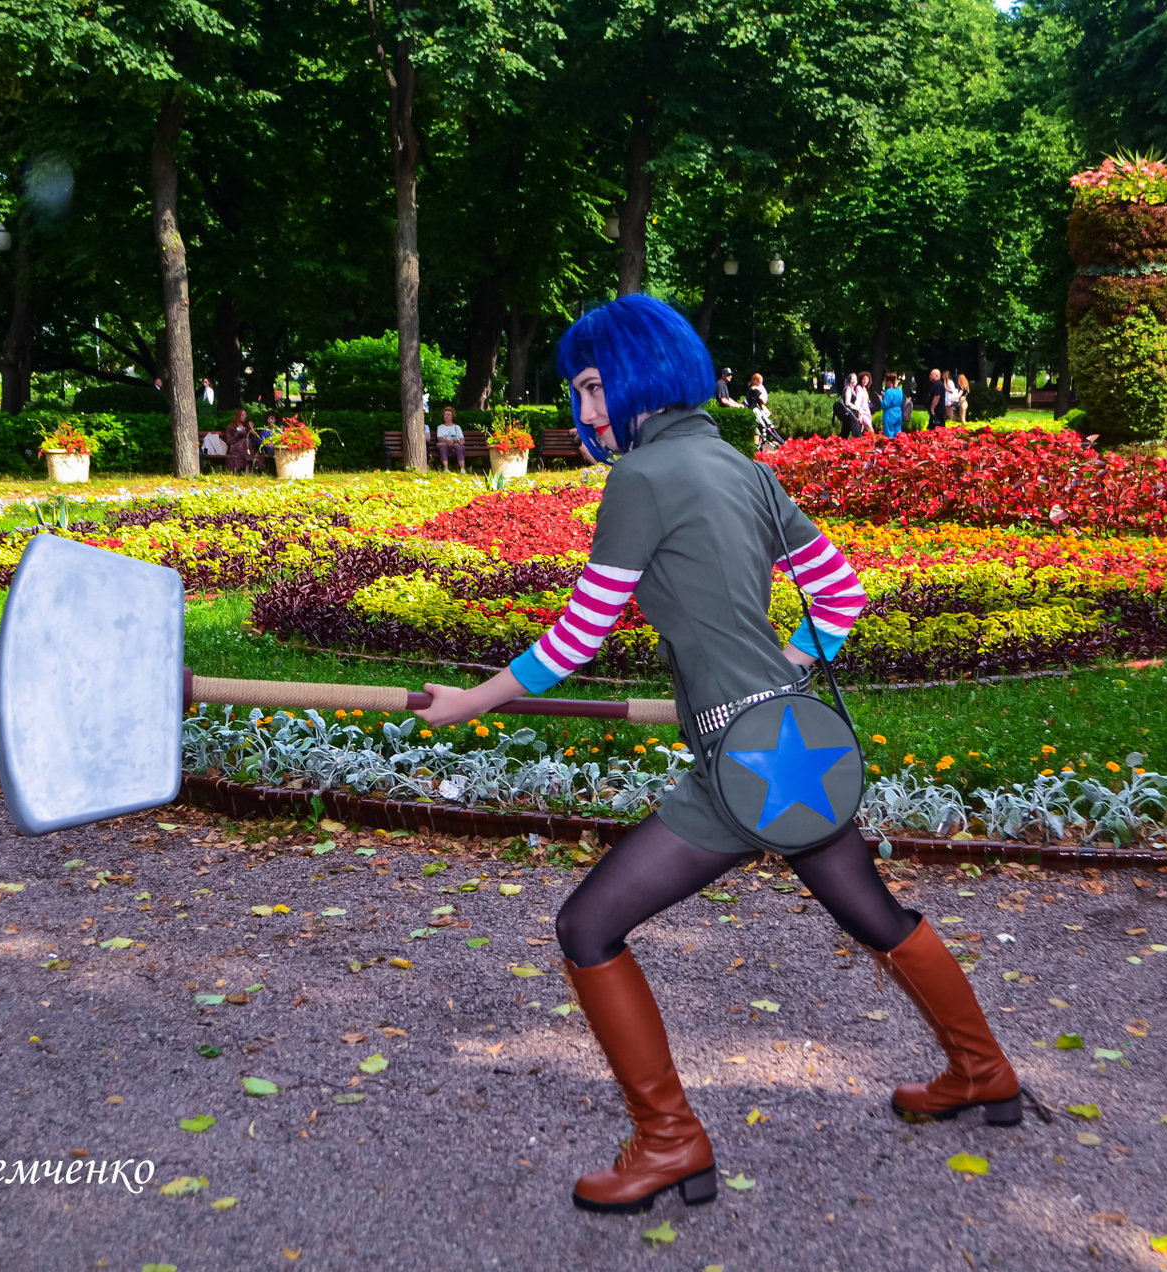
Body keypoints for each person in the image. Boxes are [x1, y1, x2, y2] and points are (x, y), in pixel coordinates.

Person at [415, 294, 1020, 1215]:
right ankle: (984, 1072)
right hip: (793, 744)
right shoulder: (744, 467)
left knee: (586, 929)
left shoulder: (641, 477)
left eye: (593, 386)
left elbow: (579, 635)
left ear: (638, 375)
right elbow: (841, 595)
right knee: (873, 914)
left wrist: (470, 702)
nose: (586, 410)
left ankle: (670, 1142)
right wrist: (788, 666)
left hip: (739, 766)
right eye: (580, 390)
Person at [222, 407, 255, 473]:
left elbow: (253, 441)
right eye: (242, 415)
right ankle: (247, 469)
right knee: (244, 442)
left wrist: (251, 430)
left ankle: (247, 469)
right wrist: (237, 434)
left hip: (246, 449)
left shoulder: (247, 426)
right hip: (234, 449)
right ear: (237, 415)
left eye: (245, 415)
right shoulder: (231, 427)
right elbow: (229, 442)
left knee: (245, 442)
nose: (244, 417)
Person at [436, 405, 467, 472]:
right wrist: (447, 441)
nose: (446, 417)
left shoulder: (457, 427)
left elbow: (462, 440)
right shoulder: (440, 427)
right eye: (445, 415)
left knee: (460, 448)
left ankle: (462, 469)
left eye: (448, 415)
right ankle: (446, 468)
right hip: (445, 445)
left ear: (452, 417)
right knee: (442, 448)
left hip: (455, 445)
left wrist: (458, 443)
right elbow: (439, 438)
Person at [880, 371, 906, 436]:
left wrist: (881, 400)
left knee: (889, 433)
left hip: (889, 413)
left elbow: (885, 405)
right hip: (898, 412)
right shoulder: (900, 390)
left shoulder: (889, 391)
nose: (885, 383)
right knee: (898, 433)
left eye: (886, 382)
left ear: (889, 381)